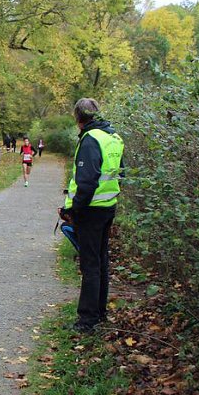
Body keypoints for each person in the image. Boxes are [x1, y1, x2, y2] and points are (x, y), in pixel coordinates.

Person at [60, 98, 124, 333]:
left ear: (78, 118)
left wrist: (74, 210)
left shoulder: (90, 139)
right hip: (108, 207)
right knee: (100, 261)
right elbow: (120, 172)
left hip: (90, 211)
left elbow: (86, 181)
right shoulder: (114, 137)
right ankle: (100, 311)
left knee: (90, 265)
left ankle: (87, 320)